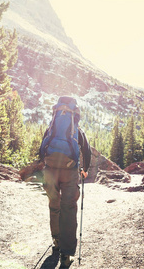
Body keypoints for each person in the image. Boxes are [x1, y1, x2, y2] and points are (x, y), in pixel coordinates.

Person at [39, 96, 91, 268]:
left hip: (50, 170)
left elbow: (42, 149)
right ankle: (66, 255)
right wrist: (84, 170)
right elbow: (87, 151)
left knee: (54, 204)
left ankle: (56, 242)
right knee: (68, 209)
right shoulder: (77, 130)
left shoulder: (51, 128)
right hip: (69, 171)